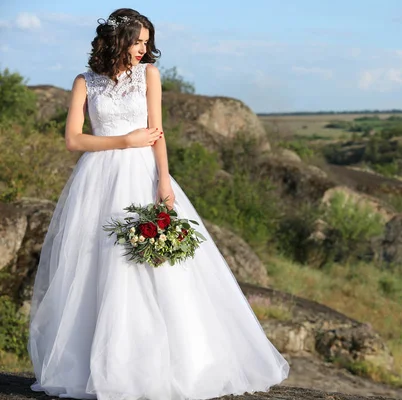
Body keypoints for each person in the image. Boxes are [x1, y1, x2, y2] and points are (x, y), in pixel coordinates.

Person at [27, 8, 289, 400]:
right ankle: (103, 368)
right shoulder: (85, 82)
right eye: (137, 42)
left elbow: (158, 131)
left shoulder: (149, 75)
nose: (143, 50)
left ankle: (176, 365)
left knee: (158, 267)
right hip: (98, 179)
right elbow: (74, 140)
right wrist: (124, 141)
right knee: (99, 268)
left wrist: (163, 180)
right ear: (116, 40)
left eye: (147, 43)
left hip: (144, 174)